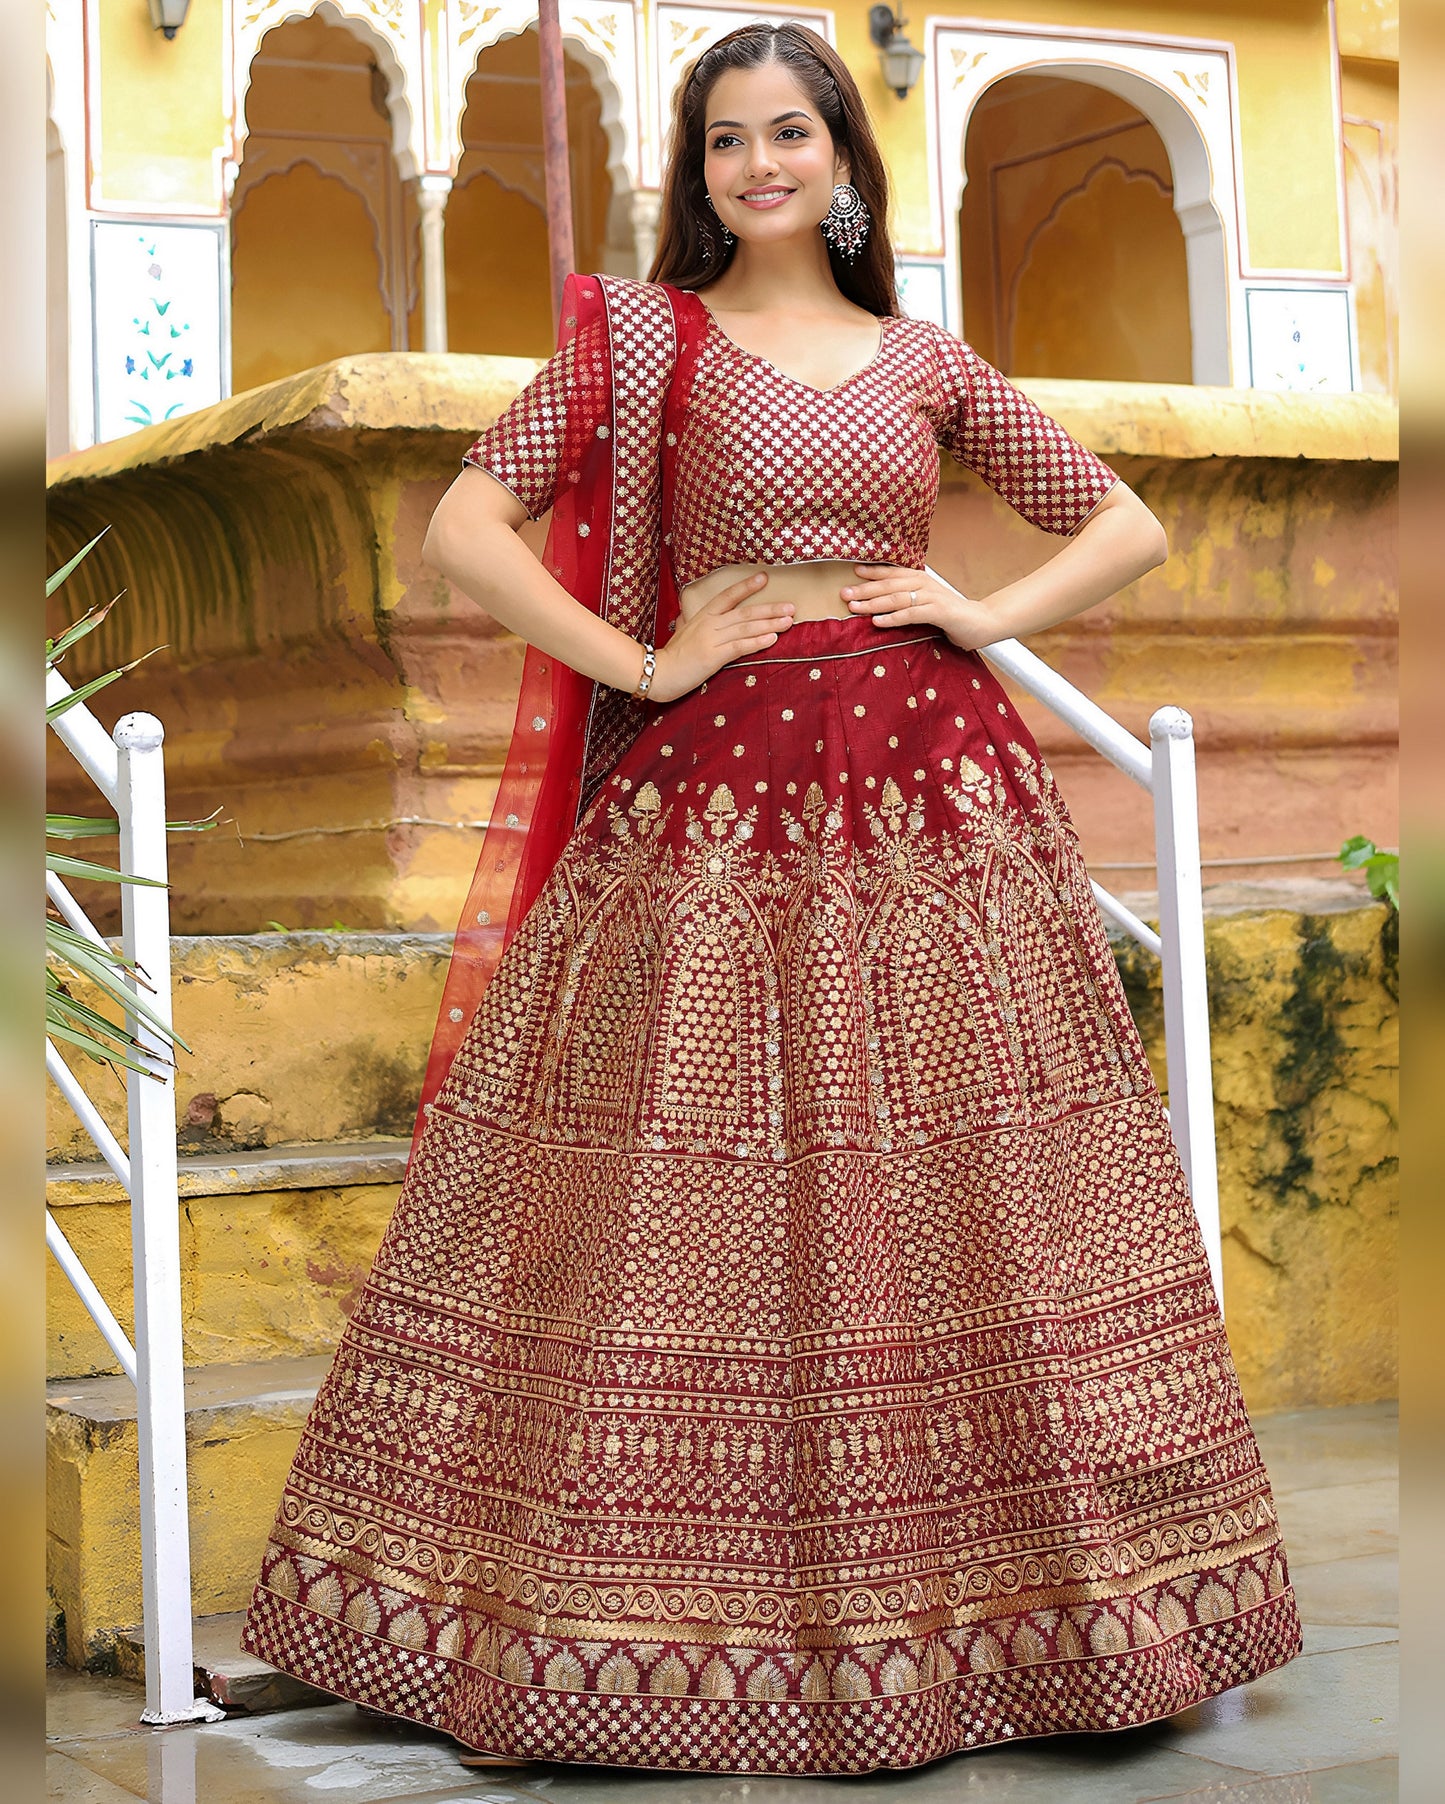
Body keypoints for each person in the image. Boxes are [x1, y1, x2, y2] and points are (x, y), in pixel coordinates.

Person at [240, 21, 1303, 1777]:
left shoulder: (920, 359)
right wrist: (643, 660)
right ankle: (618, 1624)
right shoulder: (646, 347)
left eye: (790, 133)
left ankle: (1028, 1619)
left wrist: (977, 615)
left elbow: (1120, 520)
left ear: (843, 159)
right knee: (679, 1188)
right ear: (700, 170)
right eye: (726, 140)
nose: (759, 166)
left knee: (971, 1174)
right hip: (710, 816)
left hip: (932, 808)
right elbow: (462, 527)